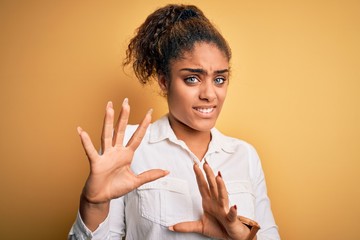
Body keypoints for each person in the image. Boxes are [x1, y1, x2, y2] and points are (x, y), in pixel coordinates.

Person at [69, 4, 280, 240]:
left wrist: (241, 237)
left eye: (220, 79)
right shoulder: (128, 148)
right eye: (192, 79)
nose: (210, 94)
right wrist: (93, 204)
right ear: (164, 81)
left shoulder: (245, 155)